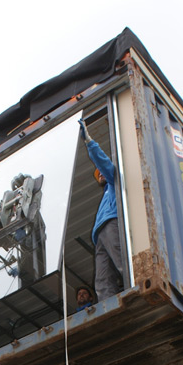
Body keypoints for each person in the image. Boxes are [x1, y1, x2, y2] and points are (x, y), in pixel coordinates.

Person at [79, 119, 124, 301]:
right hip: (99, 235)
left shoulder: (114, 184)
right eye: (98, 175)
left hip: (110, 225)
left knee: (122, 263)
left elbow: (104, 162)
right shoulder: (106, 195)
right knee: (102, 278)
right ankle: (108, 305)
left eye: (101, 173)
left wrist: (90, 142)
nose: (100, 176)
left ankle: (134, 287)